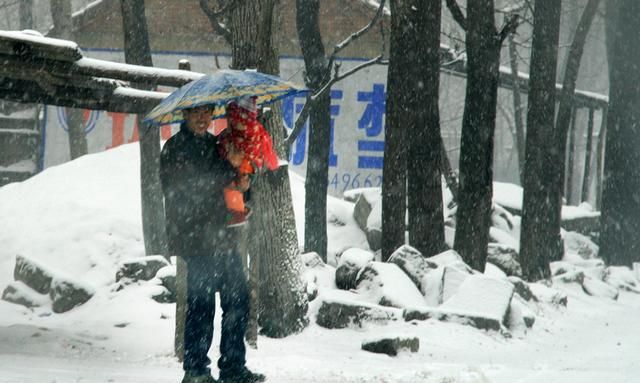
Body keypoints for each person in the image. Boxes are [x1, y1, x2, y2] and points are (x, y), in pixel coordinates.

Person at [160, 105, 266, 383]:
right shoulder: (175, 148)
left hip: (225, 238)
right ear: (185, 115)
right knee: (201, 305)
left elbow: (229, 186)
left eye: (207, 113)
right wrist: (227, 168)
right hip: (195, 240)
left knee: (238, 300)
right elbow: (191, 189)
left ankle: (232, 367)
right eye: (196, 113)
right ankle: (195, 370)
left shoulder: (217, 144)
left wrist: (245, 190)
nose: (202, 118)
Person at [218, 96, 279, 226]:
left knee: (233, 185)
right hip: (244, 167)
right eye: (232, 119)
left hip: (249, 166)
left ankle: (237, 213)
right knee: (232, 183)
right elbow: (223, 145)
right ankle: (240, 209)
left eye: (239, 120)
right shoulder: (233, 132)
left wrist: (272, 163)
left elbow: (267, 148)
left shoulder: (254, 130)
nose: (237, 123)